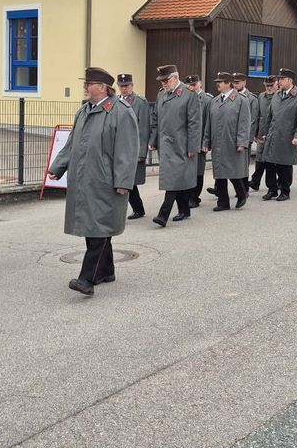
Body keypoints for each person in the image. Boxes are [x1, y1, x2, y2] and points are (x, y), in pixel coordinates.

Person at [47, 67, 138, 296]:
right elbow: (71, 143)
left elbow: (127, 150)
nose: (85, 87)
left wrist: (123, 181)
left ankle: (86, 279)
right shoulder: (84, 111)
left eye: (89, 84)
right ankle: (106, 270)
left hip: (106, 182)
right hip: (84, 180)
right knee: (93, 226)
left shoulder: (121, 112)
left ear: (102, 87)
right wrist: (58, 167)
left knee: (100, 227)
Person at [147, 65, 202, 226]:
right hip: (165, 145)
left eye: (166, 80)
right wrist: (153, 140)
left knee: (173, 179)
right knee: (176, 178)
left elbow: (194, 123)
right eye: (162, 81)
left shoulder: (189, 94)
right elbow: (156, 120)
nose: (164, 84)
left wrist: (193, 147)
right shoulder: (162, 94)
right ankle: (184, 209)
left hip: (181, 145)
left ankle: (163, 215)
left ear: (176, 77)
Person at [203, 73, 251, 211]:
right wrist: (206, 141)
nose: (217, 84)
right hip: (217, 141)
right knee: (220, 173)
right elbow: (208, 123)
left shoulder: (241, 100)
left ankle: (241, 194)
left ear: (228, 83)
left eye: (221, 82)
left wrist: (242, 142)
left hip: (232, 141)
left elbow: (244, 122)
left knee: (233, 171)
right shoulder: (215, 101)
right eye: (217, 81)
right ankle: (223, 202)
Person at [259, 69, 297, 201]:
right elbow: (269, 116)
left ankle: (285, 191)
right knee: (269, 163)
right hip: (273, 135)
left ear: (290, 80)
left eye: (282, 79)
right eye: (279, 79)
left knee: (284, 165)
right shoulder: (276, 95)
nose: (279, 81)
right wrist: (264, 133)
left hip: (287, 136)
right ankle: (272, 189)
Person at [116, 74, 152, 220]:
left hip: (132, 148)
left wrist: (141, 152)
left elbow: (144, 128)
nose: (124, 89)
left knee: (129, 181)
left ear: (132, 85)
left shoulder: (140, 102)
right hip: (118, 148)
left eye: (127, 86)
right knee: (122, 180)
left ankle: (137, 209)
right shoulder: (116, 101)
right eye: (121, 86)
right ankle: (136, 209)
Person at [185, 75, 212, 208]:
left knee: (198, 170)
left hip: (200, 140)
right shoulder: (185, 97)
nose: (192, 87)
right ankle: (187, 195)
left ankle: (194, 197)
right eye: (189, 85)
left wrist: (206, 142)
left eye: (194, 84)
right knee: (187, 170)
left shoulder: (207, 100)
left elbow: (208, 122)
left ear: (200, 84)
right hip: (187, 141)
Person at [249, 76, 278, 195]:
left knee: (272, 161)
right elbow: (257, 115)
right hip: (262, 132)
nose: (269, 88)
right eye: (267, 86)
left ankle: (278, 183)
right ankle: (255, 181)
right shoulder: (261, 96)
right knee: (260, 158)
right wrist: (256, 133)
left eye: (271, 85)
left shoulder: (279, 97)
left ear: (276, 85)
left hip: (274, 133)